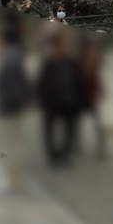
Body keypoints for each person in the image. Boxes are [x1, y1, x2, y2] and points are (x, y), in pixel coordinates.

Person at [36, 27, 84, 167]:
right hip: (52, 103)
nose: (64, 46)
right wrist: (42, 102)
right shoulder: (49, 63)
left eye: (65, 43)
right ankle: (53, 157)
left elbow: (77, 81)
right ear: (55, 45)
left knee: (70, 130)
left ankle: (65, 155)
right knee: (49, 130)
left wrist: (78, 100)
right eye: (62, 43)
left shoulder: (70, 62)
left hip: (69, 102)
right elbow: (41, 84)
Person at [0, 25, 32, 191]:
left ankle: (14, 183)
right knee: (16, 144)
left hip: (9, 109)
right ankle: (18, 181)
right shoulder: (15, 55)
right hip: (14, 108)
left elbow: (14, 88)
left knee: (10, 146)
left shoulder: (9, 60)